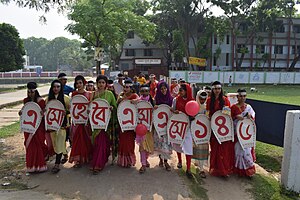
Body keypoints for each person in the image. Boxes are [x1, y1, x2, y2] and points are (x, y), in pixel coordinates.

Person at [90, 75, 117, 174]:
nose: (101, 84)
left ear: (106, 84)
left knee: (103, 143)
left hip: (106, 124)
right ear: (96, 84)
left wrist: (111, 108)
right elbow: (90, 107)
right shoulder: (93, 94)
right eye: (99, 82)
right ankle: (97, 161)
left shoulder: (109, 94)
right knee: (96, 144)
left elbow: (115, 107)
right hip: (95, 123)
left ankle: (98, 164)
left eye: (103, 82)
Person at [206, 81, 234, 177]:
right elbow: (207, 112)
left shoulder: (225, 100)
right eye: (215, 89)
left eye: (218, 88)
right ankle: (214, 169)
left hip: (223, 130)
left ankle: (224, 170)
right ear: (212, 90)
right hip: (213, 128)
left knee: (223, 149)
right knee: (214, 149)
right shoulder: (209, 100)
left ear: (221, 89)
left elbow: (227, 115)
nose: (217, 91)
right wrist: (208, 118)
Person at [19, 82, 48, 173]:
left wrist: (43, 113)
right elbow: (25, 111)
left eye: (32, 92)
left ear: (36, 91)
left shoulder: (41, 101)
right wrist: (21, 112)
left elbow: (43, 113)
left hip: (38, 127)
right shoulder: (26, 101)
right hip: (28, 127)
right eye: (29, 92)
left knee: (39, 144)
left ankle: (40, 165)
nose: (30, 94)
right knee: (30, 146)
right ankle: (31, 166)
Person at [45, 80, 70, 173]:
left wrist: (66, 112)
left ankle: (57, 164)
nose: (56, 88)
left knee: (59, 143)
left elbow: (71, 111)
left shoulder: (66, 98)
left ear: (61, 88)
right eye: (54, 87)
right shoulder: (48, 99)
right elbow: (46, 111)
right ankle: (65, 154)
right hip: (52, 126)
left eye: (58, 87)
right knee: (55, 144)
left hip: (62, 125)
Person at [69, 75, 93, 168]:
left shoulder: (89, 94)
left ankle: (86, 157)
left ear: (84, 83)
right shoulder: (74, 94)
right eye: (77, 83)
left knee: (86, 139)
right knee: (77, 140)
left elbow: (91, 106)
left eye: (80, 83)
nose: (79, 85)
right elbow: (72, 106)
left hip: (86, 121)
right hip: (77, 121)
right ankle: (78, 160)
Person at [231, 89, 256, 177]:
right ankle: (239, 170)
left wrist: (250, 117)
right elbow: (230, 120)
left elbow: (252, 120)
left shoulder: (248, 107)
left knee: (247, 151)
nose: (242, 98)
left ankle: (249, 171)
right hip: (236, 133)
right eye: (241, 96)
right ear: (237, 97)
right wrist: (236, 117)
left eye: (244, 96)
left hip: (246, 134)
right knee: (238, 151)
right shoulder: (233, 107)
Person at [172, 83, 194, 178]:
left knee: (188, 147)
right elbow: (172, 110)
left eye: (181, 90)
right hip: (178, 126)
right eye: (179, 90)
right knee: (177, 144)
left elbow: (194, 113)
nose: (179, 92)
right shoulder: (176, 100)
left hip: (188, 127)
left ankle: (188, 168)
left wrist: (191, 116)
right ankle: (180, 161)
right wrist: (174, 112)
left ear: (187, 91)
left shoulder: (192, 101)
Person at [117, 79, 139, 167]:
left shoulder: (134, 96)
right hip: (122, 123)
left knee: (129, 143)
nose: (125, 89)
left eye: (127, 87)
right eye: (124, 87)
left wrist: (135, 101)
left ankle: (129, 161)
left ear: (131, 87)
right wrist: (119, 100)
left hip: (130, 124)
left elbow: (140, 101)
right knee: (122, 142)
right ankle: (123, 161)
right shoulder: (121, 95)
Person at [153, 80, 173, 171]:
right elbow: (153, 112)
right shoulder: (156, 99)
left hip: (168, 126)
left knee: (166, 143)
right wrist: (155, 107)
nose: (164, 90)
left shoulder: (171, 99)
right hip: (159, 126)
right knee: (160, 143)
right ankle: (161, 159)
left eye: (165, 88)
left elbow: (173, 110)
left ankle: (166, 161)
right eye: (161, 89)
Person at [135, 84, 154, 173]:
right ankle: (143, 164)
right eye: (142, 91)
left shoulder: (152, 101)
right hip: (140, 128)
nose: (144, 93)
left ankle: (146, 160)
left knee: (148, 146)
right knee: (142, 147)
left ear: (149, 91)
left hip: (149, 128)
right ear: (140, 92)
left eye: (146, 91)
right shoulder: (137, 102)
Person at [193, 90, 209, 178]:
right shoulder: (194, 106)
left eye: (204, 99)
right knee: (196, 147)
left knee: (204, 148)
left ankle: (201, 168)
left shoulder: (207, 107)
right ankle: (197, 162)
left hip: (205, 133)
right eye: (201, 98)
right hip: (196, 131)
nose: (202, 100)